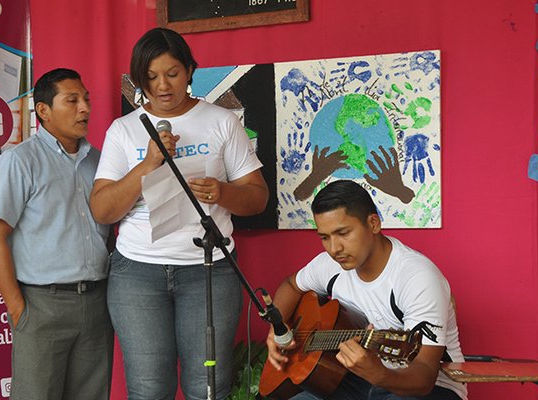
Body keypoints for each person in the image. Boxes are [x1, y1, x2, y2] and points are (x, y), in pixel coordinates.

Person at [89, 28, 269, 400]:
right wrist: (147, 166)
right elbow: (102, 210)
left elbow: (258, 198)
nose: (162, 86)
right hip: (137, 273)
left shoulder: (221, 122)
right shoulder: (124, 130)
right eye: (151, 77)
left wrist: (224, 192)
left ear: (190, 70)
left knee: (208, 387)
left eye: (172, 73)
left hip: (209, 270)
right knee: (149, 389)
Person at [265, 180, 466, 400]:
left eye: (343, 233)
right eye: (325, 237)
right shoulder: (329, 266)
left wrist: (379, 374)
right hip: (353, 379)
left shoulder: (417, 277)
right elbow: (291, 285)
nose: (334, 248)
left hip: (429, 387)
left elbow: (425, 376)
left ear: (373, 224)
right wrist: (279, 328)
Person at [0, 68, 112, 399]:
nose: (85, 107)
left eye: (86, 99)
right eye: (72, 100)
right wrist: (17, 308)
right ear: (43, 111)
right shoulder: (19, 161)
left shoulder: (100, 162)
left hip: (96, 303)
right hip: (42, 304)